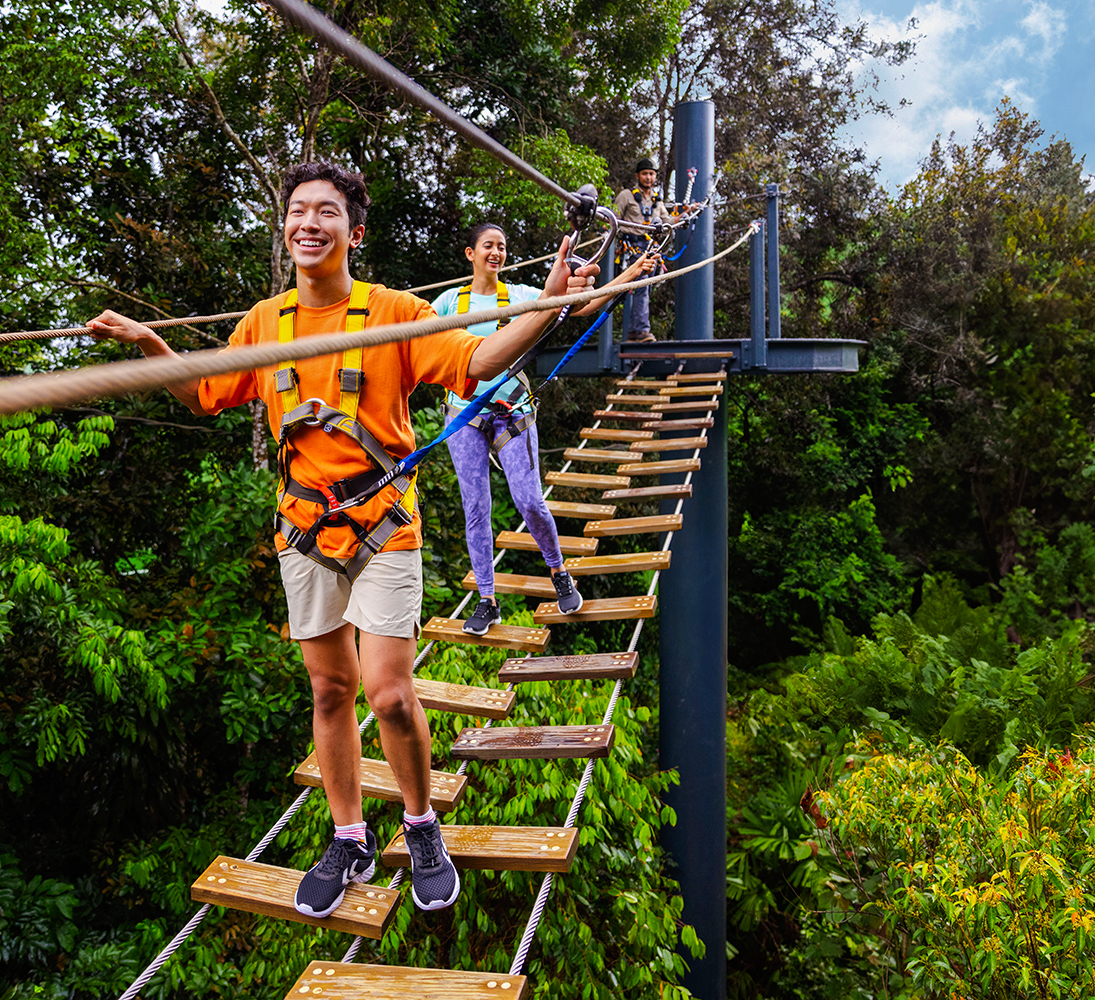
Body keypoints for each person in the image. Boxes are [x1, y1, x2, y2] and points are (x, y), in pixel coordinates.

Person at [85, 163, 600, 920]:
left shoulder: (393, 312)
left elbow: (475, 365)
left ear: (354, 233)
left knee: (389, 694)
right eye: (298, 212)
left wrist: (548, 309)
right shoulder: (266, 323)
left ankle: (422, 826)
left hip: (385, 527)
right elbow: (201, 392)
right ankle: (349, 835)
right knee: (330, 690)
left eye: (326, 212)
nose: (308, 223)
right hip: (305, 529)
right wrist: (148, 341)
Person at [434, 222, 658, 636]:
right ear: (470, 253)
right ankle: (487, 600)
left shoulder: (519, 296)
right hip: (464, 414)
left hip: (510, 410)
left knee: (530, 501)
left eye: (501, 246)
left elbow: (578, 304)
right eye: (488, 246)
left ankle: (558, 573)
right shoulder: (449, 303)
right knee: (476, 509)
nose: (496, 253)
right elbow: (422, 348)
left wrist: (629, 275)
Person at [613, 158, 664, 344]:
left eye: (651, 174)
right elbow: (614, 218)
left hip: (649, 248)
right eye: (645, 174)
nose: (648, 177)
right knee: (641, 286)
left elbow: (668, 221)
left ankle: (636, 331)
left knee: (645, 288)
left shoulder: (657, 200)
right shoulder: (626, 196)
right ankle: (641, 331)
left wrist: (687, 213)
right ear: (637, 176)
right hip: (631, 248)